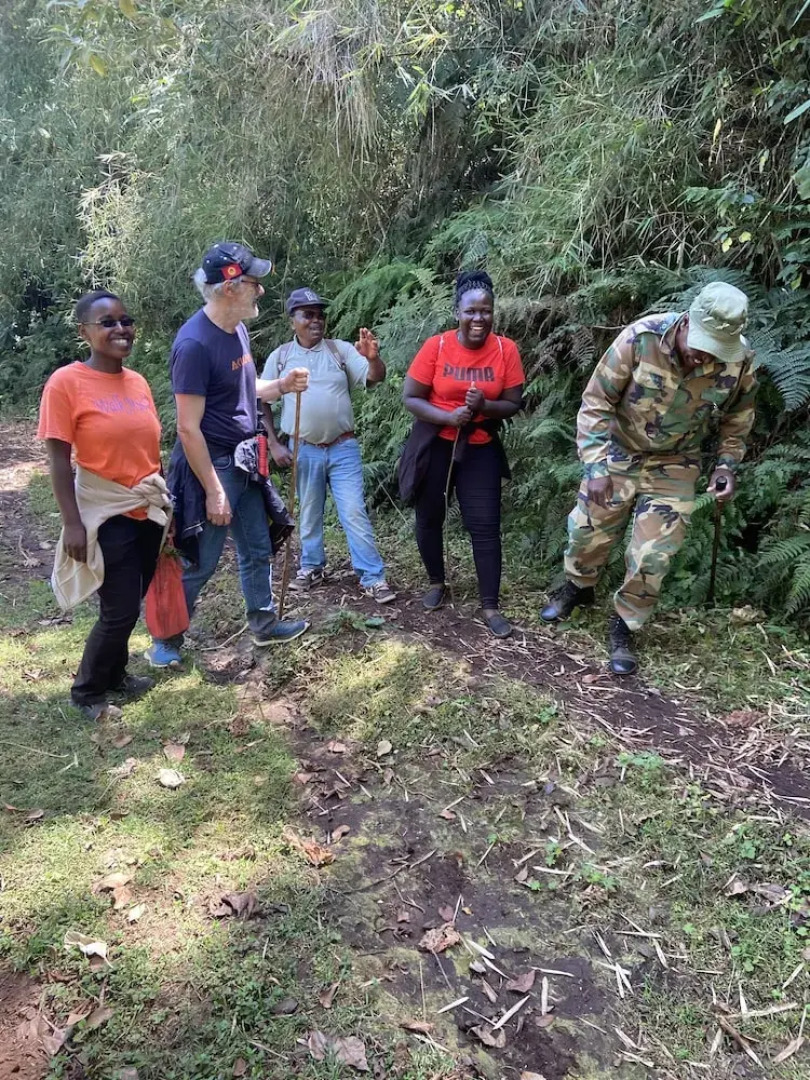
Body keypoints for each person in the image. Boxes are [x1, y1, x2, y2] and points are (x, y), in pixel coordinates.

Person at [541, 281, 757, 675]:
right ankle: (577, 587)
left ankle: (625, 624)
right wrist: (596, 466)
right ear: (688, 319)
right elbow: (596, 401)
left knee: (653, 553)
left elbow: (737, 419)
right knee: (588, 530)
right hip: (619, 448)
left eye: (715, 351)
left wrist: (726, 464)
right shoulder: (641, 339)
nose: (704, 356)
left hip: (676, 462)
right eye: (702, 344)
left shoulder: (738, 362)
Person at [144, 242, 310, 668]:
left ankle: (264, 623)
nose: (261, 292)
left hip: (245, 459)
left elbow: (241, 391)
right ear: (229, 288)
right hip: (212, 466)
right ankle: (166, 640)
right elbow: (187, 426)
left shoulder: (236, 327)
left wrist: (281, 385)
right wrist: (215, 491)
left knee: (257, 546)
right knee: (201, 557)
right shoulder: (194, 345)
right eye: (254, 283)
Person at [39, 291, 169, 720]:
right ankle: (87, 691)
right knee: (120, 609)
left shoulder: (137, 382)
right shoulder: (66, 383)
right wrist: (73, 524)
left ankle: (116, 676)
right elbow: (58, 460)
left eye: (125, 320)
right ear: (84, 332)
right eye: (107, 322)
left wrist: (163, 497)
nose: (120, 329)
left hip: (146, 508)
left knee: (134, 596)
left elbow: (151, 447)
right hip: (105, 509)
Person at [400, 270, 525, 638]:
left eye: (485, 311)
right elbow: (411, 397)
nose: (478, 318)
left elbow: (514, 403)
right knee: (429, 517)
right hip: (436, 442)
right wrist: (449, 415)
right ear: (458, 312)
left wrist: (485, 404)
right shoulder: (436, 347)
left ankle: (489, 605)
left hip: (479, 445)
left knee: (485, 527)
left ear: (492, 312)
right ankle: (437, 582)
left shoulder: (506, 350)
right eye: (471, 311)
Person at [260, 288, 396, 604]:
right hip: (302, 447)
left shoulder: (340, 350)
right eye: (307, 314)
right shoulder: (280, 357)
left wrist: (374, 359)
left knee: (353, 511)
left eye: (319, 313)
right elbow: (262, 398)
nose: (316, 319)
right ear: (292, 320)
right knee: (308, 512)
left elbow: (374, 378)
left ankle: (373, 577)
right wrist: (273, 443)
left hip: (342, 446)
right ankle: (312, 567)